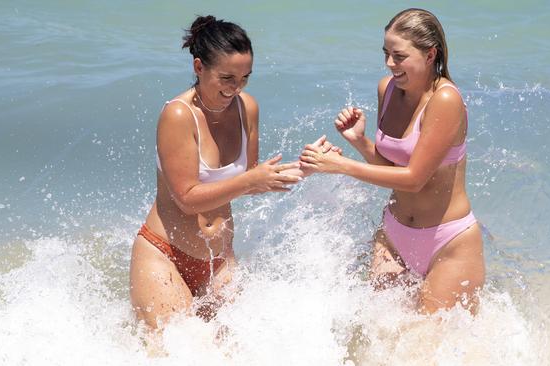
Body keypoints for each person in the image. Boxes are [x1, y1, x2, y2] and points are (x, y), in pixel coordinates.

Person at [129, 15, 332, 330]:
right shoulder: (179, 115)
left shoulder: (246, 108)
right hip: (165, 255)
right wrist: (250, 179)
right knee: (185, 353)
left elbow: (248, 181)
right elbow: (187, 199)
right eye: (227, 78)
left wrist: (305, 167)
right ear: (199, 68)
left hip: (218, 260)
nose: (236, 88)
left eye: (245, 78)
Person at [300, 8, 484, 314]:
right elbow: (391, 170)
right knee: (381, 340)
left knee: (426, 352)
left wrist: (339, 166)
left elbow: (414, 178)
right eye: (386, 53)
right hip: (394, 236)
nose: (389, 64)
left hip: (448, 243)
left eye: (398, 56)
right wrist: (359, 141)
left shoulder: (445, 100)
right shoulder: (387, 90)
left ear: (429, 55)